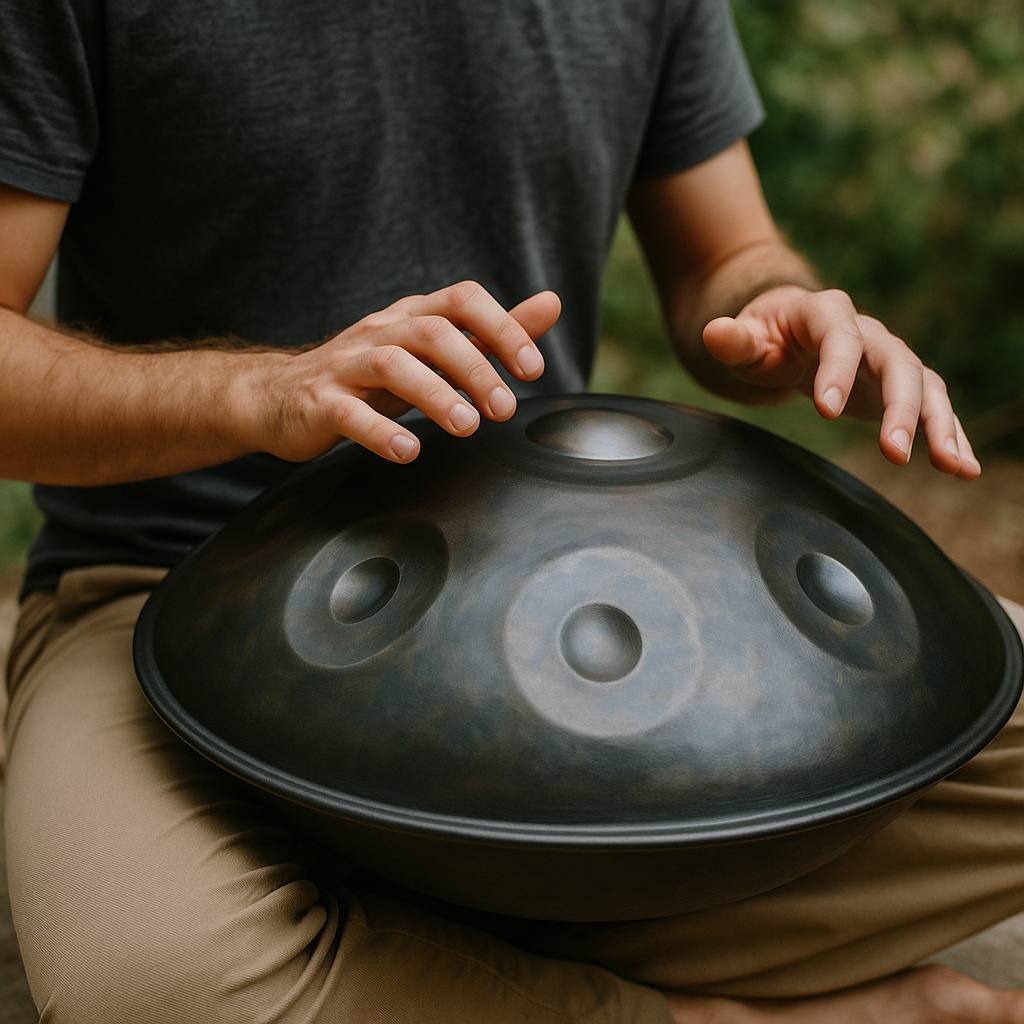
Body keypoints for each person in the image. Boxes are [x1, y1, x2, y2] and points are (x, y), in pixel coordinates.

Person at [0, 0, 1021, 1021]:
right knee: (147, 987)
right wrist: (255, 394)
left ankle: (419, 958)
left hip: (547, 597)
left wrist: (775, 304)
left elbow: (727, 254)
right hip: (166, 592)